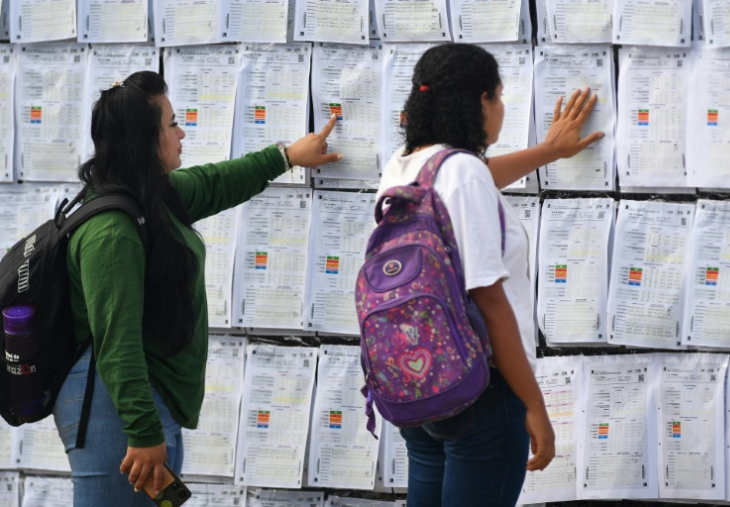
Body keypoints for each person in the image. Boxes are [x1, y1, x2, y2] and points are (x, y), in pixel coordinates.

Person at [52, 70, 341, 506]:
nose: (181, 132)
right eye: (170, 124)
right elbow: (117, 342)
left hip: (144, 399)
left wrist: (287, 156)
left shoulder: (150, 197)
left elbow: (216, 182)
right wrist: (144, 431)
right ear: (144, 139)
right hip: (111, 405)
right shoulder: (111, 231)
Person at [375, 43, 603, 507]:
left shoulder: (405, 165)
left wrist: (546, 151)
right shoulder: (462, 173)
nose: (501, 109)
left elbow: (471, 177)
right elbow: (490, 301)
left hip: (421, 385)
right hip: (481, 391)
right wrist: (535, 405)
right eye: (499, 97)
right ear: (480, 102)